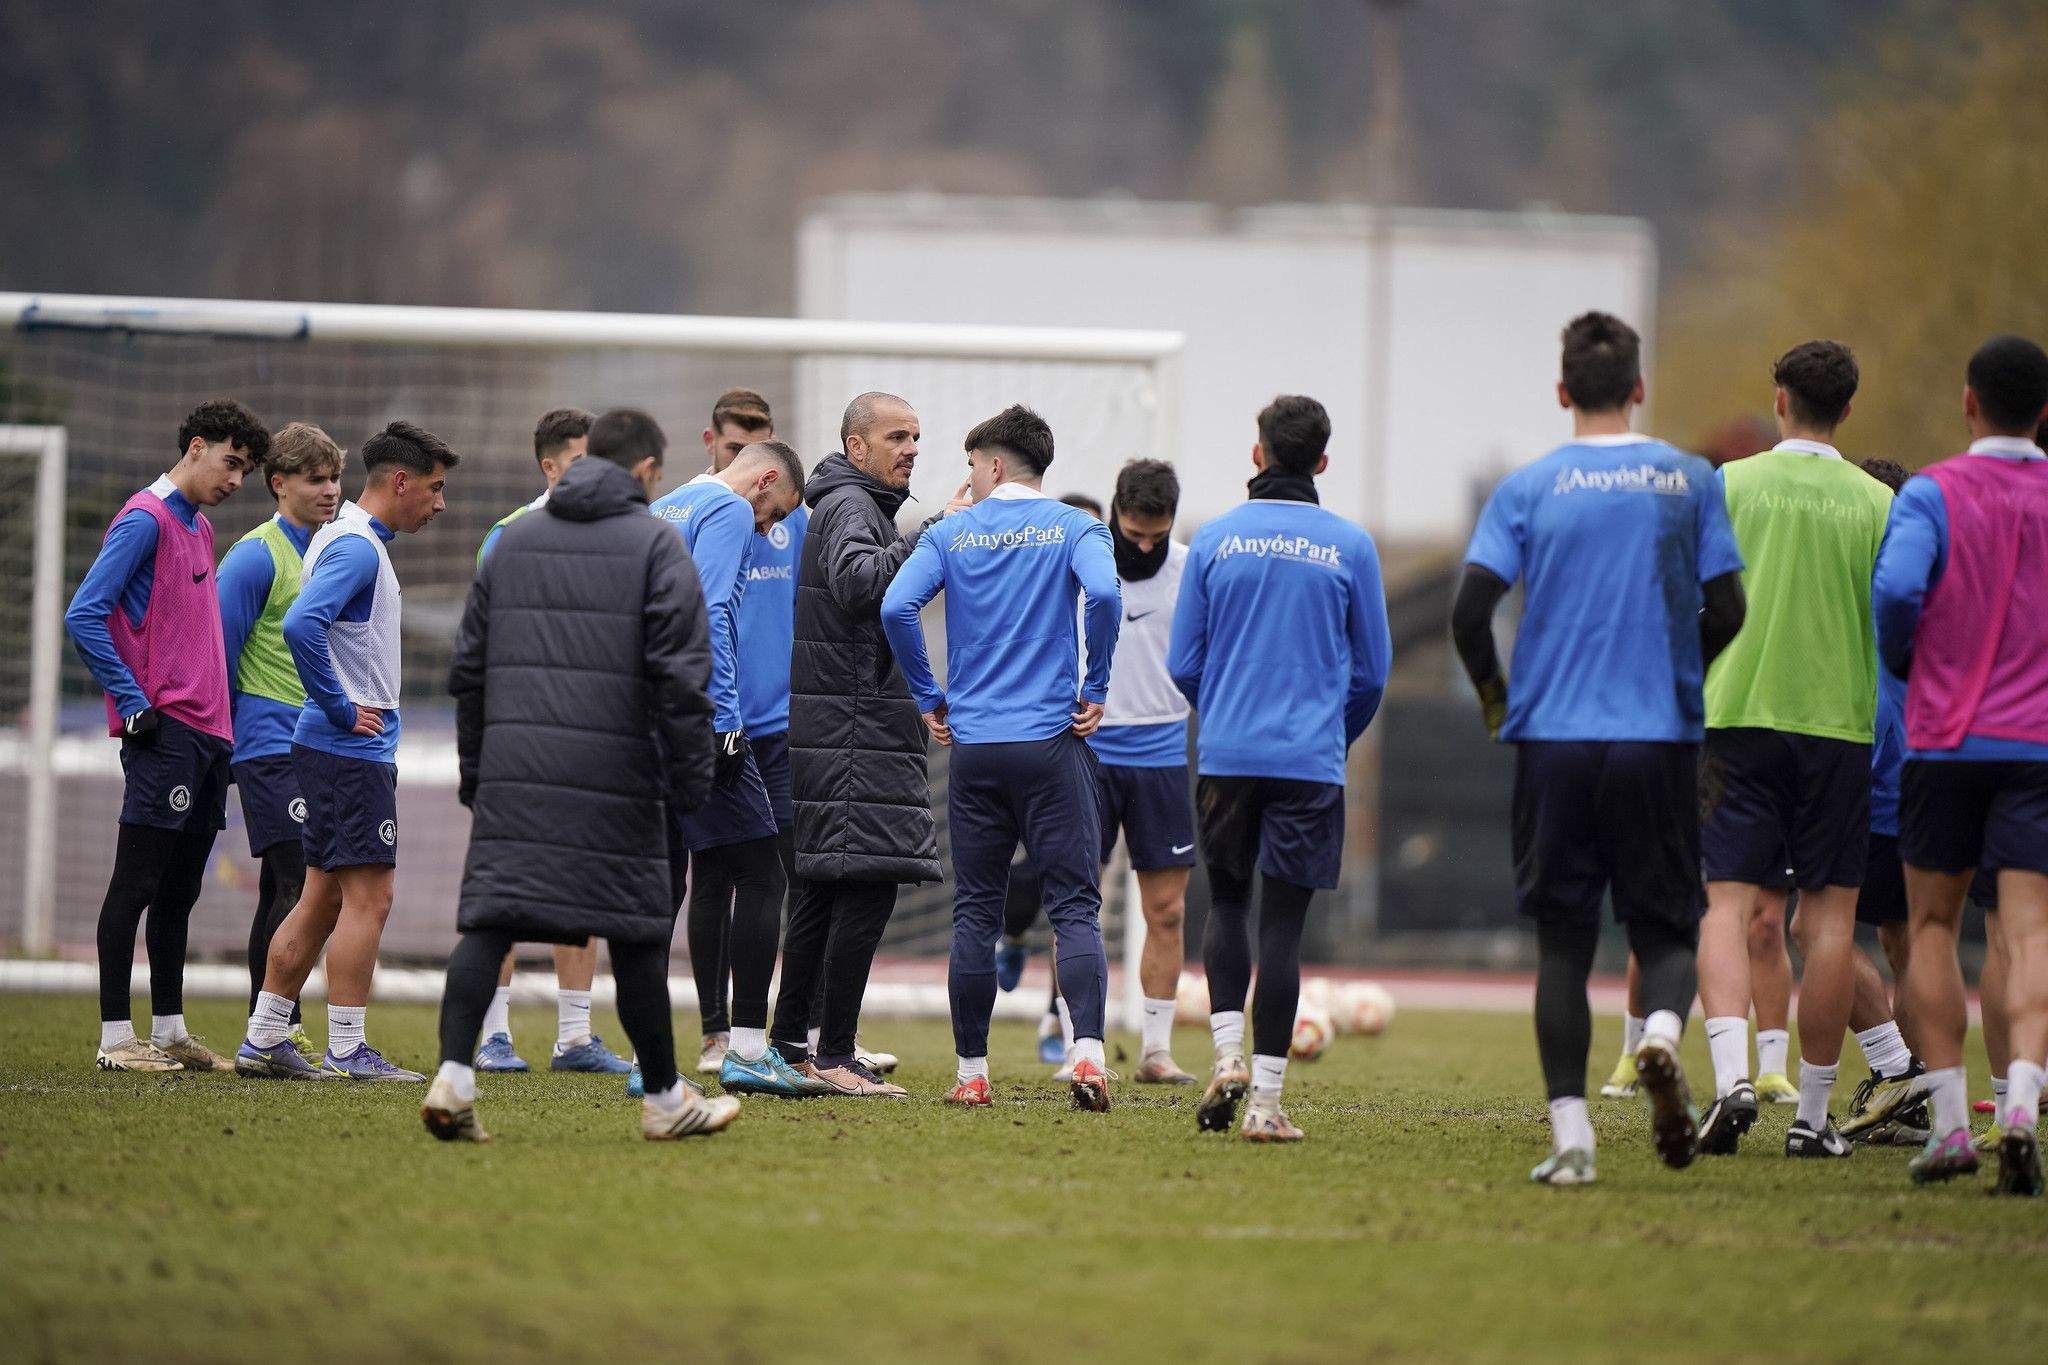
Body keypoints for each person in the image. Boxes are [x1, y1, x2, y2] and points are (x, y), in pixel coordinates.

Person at [1451, 313, 1744, 1184]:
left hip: (1555, 739)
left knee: (1563, 944)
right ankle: (1658, 1035)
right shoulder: (1691, 480)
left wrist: (1500, 699)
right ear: (1641, 389)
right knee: (1666, 924)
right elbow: (1728, 609)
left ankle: (1574, 1140)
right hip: (1657, 734)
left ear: (1562, 391)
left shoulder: (1529, 486)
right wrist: (1678, 672)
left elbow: (1469, 612)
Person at [423, 408, 739, 1142]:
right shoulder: (660, 544)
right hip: (622, 777)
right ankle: (664, 1098)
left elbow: (467, 670)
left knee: (490, 922)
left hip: (515, 774)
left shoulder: (512, 541)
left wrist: (479, 772)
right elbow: (683, 679)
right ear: (647, 472)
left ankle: (453, 1076)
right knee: (634, 933)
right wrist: (690, 783)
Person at [881, 404, 1123, 1111]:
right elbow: (1105, 594)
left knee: (975, 914)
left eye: (969, 466)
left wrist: (929, 695)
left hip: (978, 747)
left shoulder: (953, 531)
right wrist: (1095, 685)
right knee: (1075, 905)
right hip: (1053, 741)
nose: (968, 479)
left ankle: (972, 1074)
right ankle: (1085, 1057)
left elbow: (898, 606)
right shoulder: (1077, 526)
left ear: (991, 465)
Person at [1173, 394, 1392, 1143]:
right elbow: (1371, 672)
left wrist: (1227, 712)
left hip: (1229, 755)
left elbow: (1184, 662)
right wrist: (1331, 733)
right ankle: (1265, 1103)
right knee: (1284, 931)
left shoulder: (1213, 538)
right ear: (1322, 461)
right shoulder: (1352, 545)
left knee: (1227, 905)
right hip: (1310, 762)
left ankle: (1226, 1055)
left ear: (1258, 453)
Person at [1695, 340, 1894, 1159]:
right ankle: (1812, 1119)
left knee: (1724, 905)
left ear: (1779, 399)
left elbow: (1689, 600)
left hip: (1738, 714)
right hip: (1841, 726)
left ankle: (1732, 1079)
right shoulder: (1880, 501)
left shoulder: (1728, 485)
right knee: (1831, 922)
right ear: (1847, 408)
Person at [1877, 334, 2048, 1194]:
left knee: (1934, 928)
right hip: (2039, 746)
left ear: (1969, 401)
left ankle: (1950, 1125)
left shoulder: (1933, 493)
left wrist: (1913, 665)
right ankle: (2020, 1100)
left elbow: (1899, 592)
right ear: (2044, 410)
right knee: (2028, 931)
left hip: (1946, 737)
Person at [236, 421, 458, 1081]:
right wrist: (337, 706)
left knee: (322, 896)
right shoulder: (358, 547)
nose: (439, 502)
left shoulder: (350, 540)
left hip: (334, 751)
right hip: (345, 752)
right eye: (434, 487)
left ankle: (265, 1034)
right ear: (400, 482)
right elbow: (303, 622)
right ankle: (346, 1046)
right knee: (372, 897)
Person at [66, 399, 269, 1071]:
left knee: (181, 890)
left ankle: (173, 1028)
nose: (236, 478)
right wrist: (132, 704)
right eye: (231, 462)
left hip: (211, 737)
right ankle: (116, 1038)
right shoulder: (143, 519)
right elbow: (85, 613)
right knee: (136, 884)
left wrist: (227, 731)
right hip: (166, 730)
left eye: (245, 468)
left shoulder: (201, 528)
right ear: (195, 447)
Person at [766, 393, 952, 1098]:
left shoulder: (852, 503)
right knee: (868, 883)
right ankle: (837, 1052)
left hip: (838, 724)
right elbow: (858, 584)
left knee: (820, 887)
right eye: (895, 435)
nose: (910, 447)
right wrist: (935, 533)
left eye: (916, 436)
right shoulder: (850, 504)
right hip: (851, 729)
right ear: (855, 447)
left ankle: (790, 1044)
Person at [468, 408, 632, 1077]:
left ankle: (573, 1037)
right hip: (519, 740)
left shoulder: (625, 536)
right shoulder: (507, 536)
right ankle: (492, 1034)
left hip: (592, 742)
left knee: (584, 885)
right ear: (549, 466)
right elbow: (481, 645)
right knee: (505, 885)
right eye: (578, 458)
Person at [648, 438, 816, 1096]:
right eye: (774, 511)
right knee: (764, 871)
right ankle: (747, 1048)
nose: (768, 526)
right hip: (703, 718)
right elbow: (712, 610)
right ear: (765, 477)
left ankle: (648, 1059)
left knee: (674, 886)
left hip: (654, 719)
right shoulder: (725, 510)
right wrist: (724, 720)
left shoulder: (665, 505)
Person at [217, 421, 342, 1059]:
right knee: (301, 885)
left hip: (312, 746)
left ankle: (263, 1027)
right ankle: (277, 1030)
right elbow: (219, 657)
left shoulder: (328, 549)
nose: (329, 490)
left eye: (334, 478)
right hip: (267, 745)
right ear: (279, 483)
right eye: (315, 479)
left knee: (282, 889)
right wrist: (224, 747)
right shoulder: (253, 556)